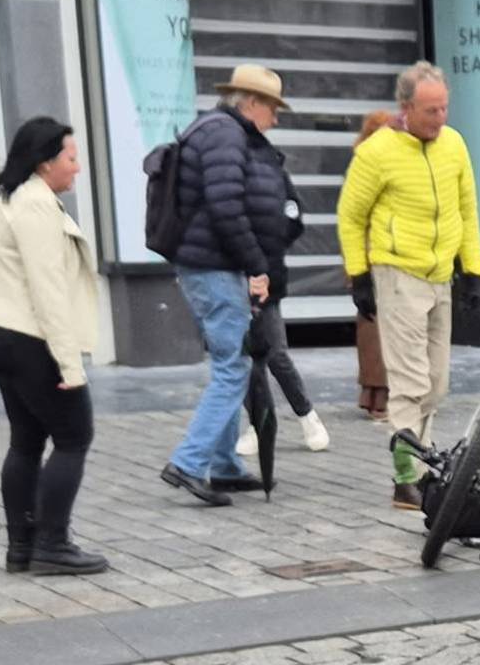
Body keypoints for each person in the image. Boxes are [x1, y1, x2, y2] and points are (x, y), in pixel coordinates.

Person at [337, 61, 480, 509]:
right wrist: (359, 275)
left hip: (441, 274)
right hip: (397, 272)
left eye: (444, 108)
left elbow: (467, 208)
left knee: (437, 385)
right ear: (405, 108)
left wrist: (474, 269)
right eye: (430, 111)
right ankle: (406, 479)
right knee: (410, 384)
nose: (440, 119)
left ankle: (421, 466)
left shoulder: (454, 145)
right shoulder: (377, 152)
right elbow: (351, 216)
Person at [0, 116, 107, 575]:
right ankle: (52, 544)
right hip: (28, 335)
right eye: (71, 157)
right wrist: (70, 366)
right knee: (73, 436)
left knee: (26, 440)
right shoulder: (35, 205)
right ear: (46, 163)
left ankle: (21, 546)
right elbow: (48, 292)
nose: (77, 168)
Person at [160, 64, 305, 505]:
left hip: (212, 266)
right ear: (252, 103)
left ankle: (223, 466)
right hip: (215, 268)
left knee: (229, 361)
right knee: (233, 368)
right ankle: (188, 463)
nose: (275, 120)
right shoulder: (224, 135)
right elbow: (227, 208)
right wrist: (255, 265)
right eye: (273, 109)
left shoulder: (220, 131)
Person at [233, 169, 331, 457]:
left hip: (267, 274)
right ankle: (256, 425)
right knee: (244, 357)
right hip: (232, 277)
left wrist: (268, 247)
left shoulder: (269, 168)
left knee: (276, 353)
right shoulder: (227, 173)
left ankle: (307, 416)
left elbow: (293, 216)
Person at [350, 110, 395, 421]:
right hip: (376, 256)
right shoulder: (372, 164)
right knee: (379, 331)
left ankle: (375, 395)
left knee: (374, 331)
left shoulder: (364, 161)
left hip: (372, 256)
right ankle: (380, 397)